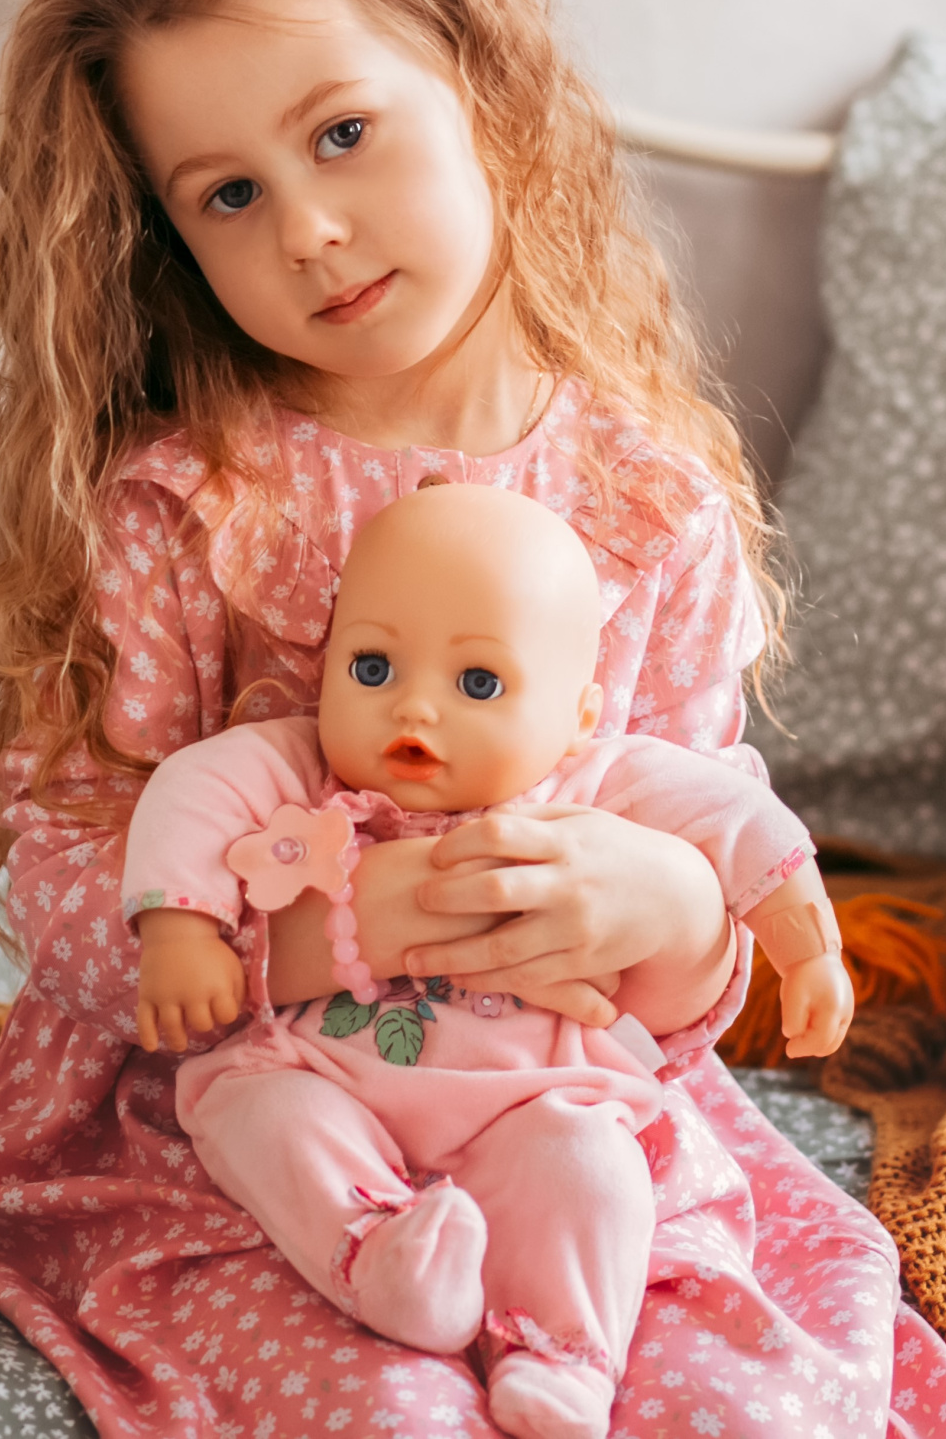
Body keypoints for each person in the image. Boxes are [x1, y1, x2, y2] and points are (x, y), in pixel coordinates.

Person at [0, 0, 946, 1439]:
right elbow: (78, 860)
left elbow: (683, 853)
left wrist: (673, 911)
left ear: (482, 81)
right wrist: (291, 934)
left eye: (342, 133)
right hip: (243, 1117)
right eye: (226, 194)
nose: (308, 227)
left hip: (555, 1093)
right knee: (398, 1411)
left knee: (747, 1407)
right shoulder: (184, 505)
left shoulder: (649, 502)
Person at [125, 484, 856, 1439]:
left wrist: (811, 947)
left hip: (533, 1098)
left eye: (478, 683)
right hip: (328, 1072)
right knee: (249, 1105)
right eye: (374, 665)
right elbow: (191, 793)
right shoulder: (301, 768)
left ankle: (562, 1356)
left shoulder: (599, 777)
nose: (412, 706)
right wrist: (180, 932)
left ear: (580, 711)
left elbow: (738, 823)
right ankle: (379, 1254)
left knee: (596, 1167)